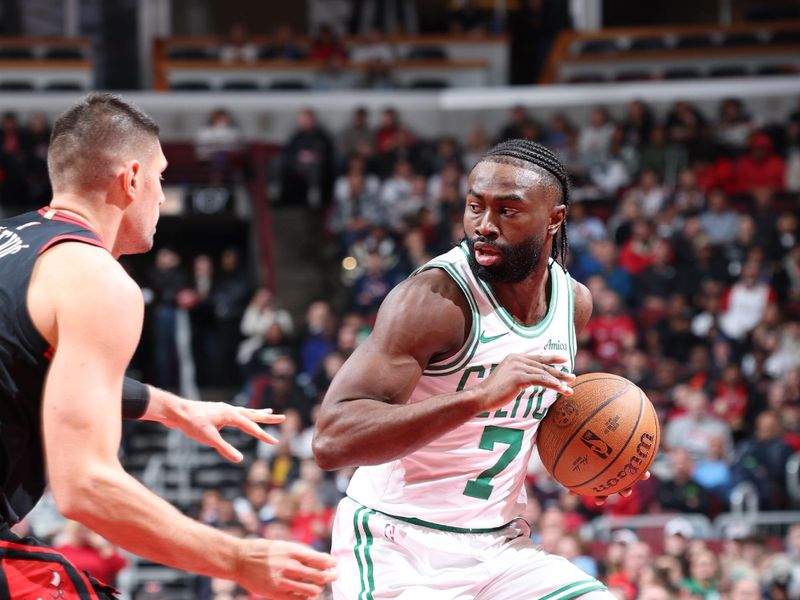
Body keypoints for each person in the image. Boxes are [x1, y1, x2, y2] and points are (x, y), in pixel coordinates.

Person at [0, 93, 336, 598]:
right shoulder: (96, 278)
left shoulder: (13, 242)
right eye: (160, 178)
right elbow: (85, 487)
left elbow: (30, 358)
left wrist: (167, 406)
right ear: (131, 178)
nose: (161, 196)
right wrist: (240, 559)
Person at [314, 139, 641, 599]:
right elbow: (331, 440)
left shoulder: (573, 304)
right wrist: (478, 396)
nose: (484, 226)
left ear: (554, 219)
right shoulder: (431, 302)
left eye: (508, 211)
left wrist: (601, 457)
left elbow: (526, 414)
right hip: (397, 547)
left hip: (500, 548)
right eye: (474, 207)